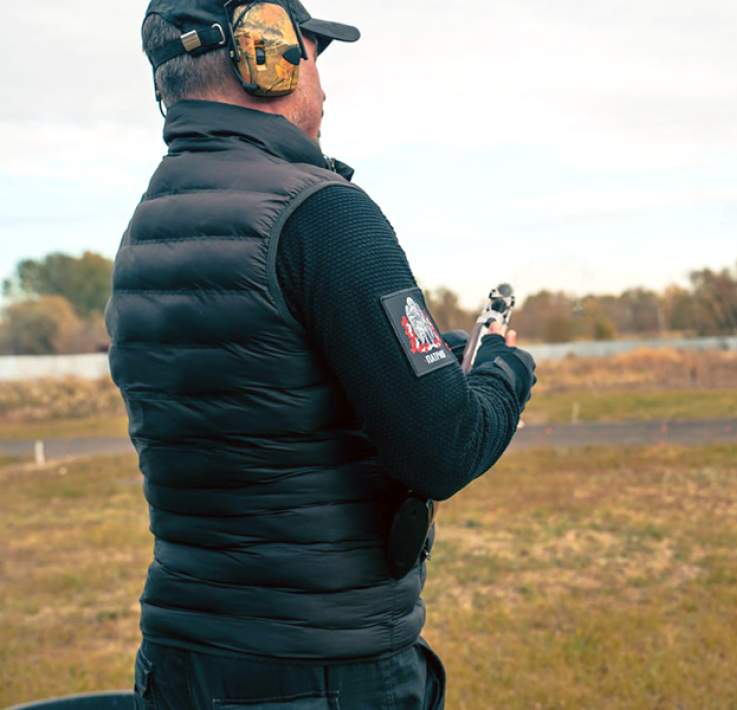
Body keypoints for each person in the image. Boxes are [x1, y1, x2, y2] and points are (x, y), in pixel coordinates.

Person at [106, 2, 536, 708]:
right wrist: (505, 371)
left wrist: (431, 355)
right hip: (319, 669)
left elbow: (266, 384)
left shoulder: (149, 225)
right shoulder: (322, 214)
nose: (322, 89)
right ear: (264, 55)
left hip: (180, 664)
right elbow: (443, 446)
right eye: (311, 57)